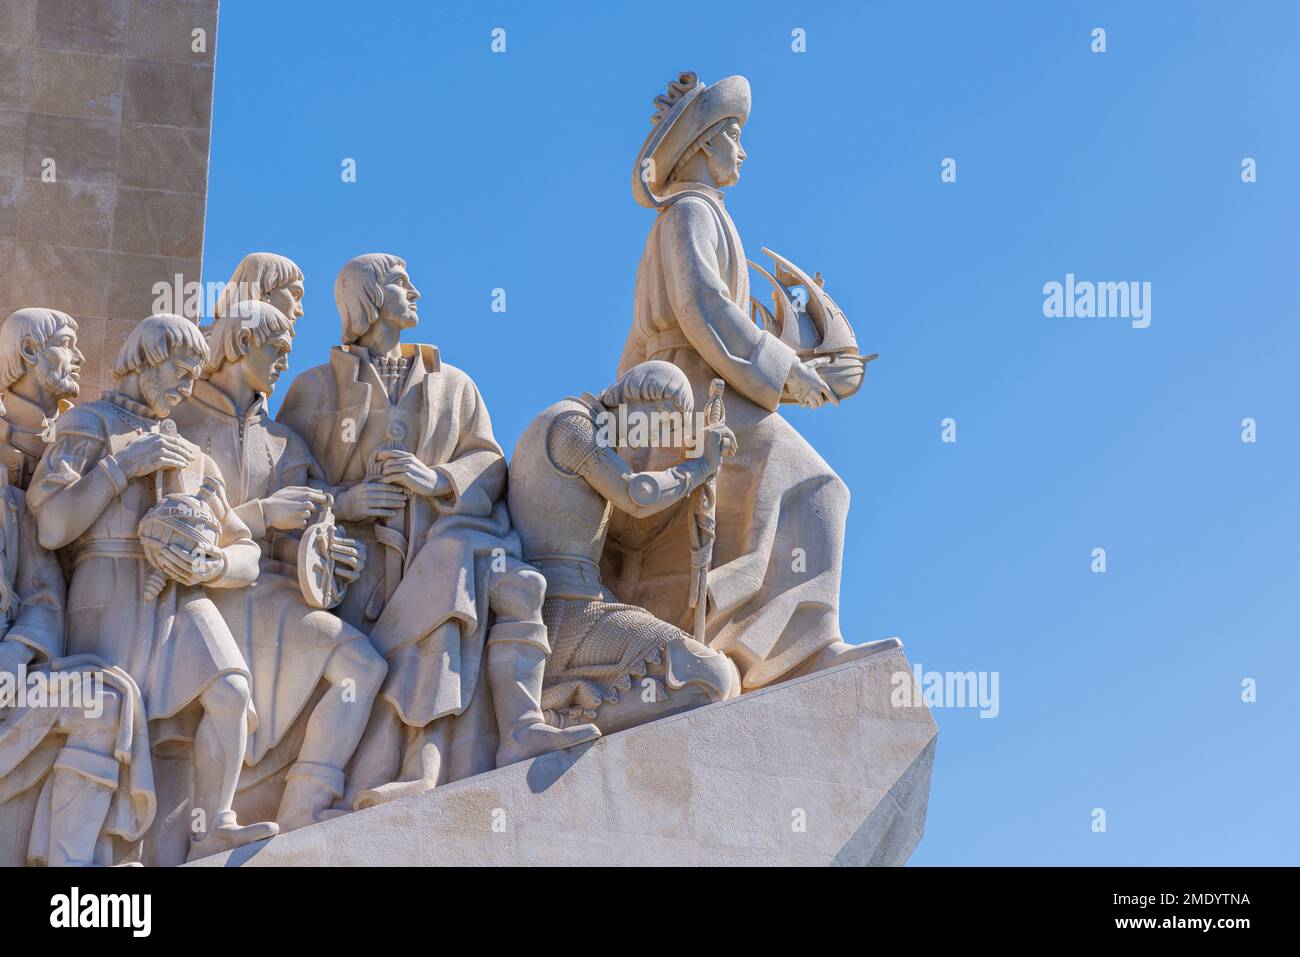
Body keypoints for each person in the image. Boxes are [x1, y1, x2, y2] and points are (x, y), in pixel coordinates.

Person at [278, 254, 598, 807]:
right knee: (445, 609)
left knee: (506, 585)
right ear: (370, 296)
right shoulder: (315, 390)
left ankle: (508, 730)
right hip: (363, 574)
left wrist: (439, 479)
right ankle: (422, 764)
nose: (416, 292)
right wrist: (346, 500)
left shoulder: (455, 384)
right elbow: (280, 486)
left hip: (450, 542)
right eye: (401, 283)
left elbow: (489, 462)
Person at [27, 314, 278, 861]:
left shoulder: (191, 454)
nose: (188, 387)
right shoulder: (87, 426)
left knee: (232, 691)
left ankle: (215, 824)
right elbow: (52, 526)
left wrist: (212, 567)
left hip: (183, 592)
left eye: (194, 375)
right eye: (180, 371)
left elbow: (247, 553)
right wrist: (123, 466)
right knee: (123, 722)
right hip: (107, 586)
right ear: (146, 359)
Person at [170, 300, 386, 831]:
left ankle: (303, 804)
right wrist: (265, 515)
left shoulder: (285, 443)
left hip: (271, 592)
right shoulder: (179, 421)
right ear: (242, 344)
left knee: (363, 666)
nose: (285, 363)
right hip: (204, 588)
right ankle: (208, 824)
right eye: (278, 349)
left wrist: (329, 557)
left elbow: (304, 534)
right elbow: (176, 533)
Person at [508, 360, 740, 733]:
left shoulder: (584, 432)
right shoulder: (572, 426)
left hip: (576, 609)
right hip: (565, 614)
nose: (649, 440)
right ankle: (563, 718)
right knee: (709, 676)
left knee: (715, 677)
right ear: (641, 397)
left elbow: (630, 526)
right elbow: (636, 494)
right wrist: (700, 467)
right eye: (659, 424)